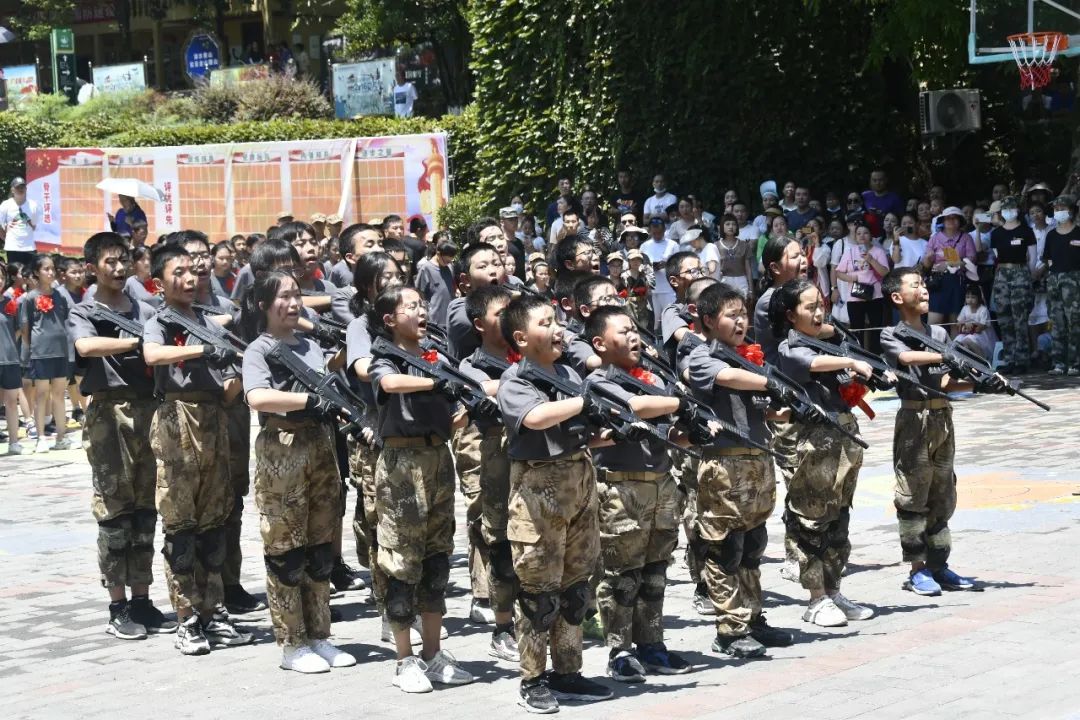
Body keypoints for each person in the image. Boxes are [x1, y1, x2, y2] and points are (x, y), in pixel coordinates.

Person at [496, 294, 613, 713]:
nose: (558, 328)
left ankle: (569, 672)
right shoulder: (516, 381)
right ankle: (532, 677)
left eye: (557, 319)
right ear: (522, 338)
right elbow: (535, 418)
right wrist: (588, 401)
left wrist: (618, 428)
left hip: (579, 481)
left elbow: (582, 430)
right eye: (547, 322)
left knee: (575, 587)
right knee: (538, 593)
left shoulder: (568, 373)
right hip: (538, 491)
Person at [240, 269, 356, 673]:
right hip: (283, 449)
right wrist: (305, 400)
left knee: (320, 548)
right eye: (283, 297)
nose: (292, 304)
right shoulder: (258, 349)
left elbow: (333, 379)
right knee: (286, 551)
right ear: (262, 305)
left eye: (296, 295)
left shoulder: (308, 344)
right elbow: (256, 396)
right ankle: (292, 643)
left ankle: (320, 635)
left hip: (321, 447)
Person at [141, 244, 252, 655]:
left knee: (213, 522)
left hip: (213, 420)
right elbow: (152, 355)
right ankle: (186, 618)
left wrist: (243, 366)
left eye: (193, 272)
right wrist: (202, 349)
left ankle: (213, 610)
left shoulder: (209, 320)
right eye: (179, 272)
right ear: (159, 282)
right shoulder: (161, 321)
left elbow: (225, 393)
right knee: (181, 525)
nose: (190, 279)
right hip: (176, 419)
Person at [368, 285, 476, 693]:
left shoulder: (437, 355)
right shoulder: (385, 356)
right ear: (391, 319)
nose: (421, 311)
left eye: (422, 304)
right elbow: (390, 384)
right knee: (400, 562)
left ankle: (432, 654)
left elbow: (452, 416)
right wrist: (435, 383)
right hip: (401, 465)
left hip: (437, 459)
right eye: (410, 306)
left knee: (435, 558)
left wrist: (464, 405)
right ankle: (403, 658)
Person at [68, 232, 176, 639]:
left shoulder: (146, 307)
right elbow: (85, 344)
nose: (119, 268)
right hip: (108, 412)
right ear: (93, 266)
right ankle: (117, 606)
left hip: (148, 408)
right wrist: (139, 341)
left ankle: (143, 601)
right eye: (110, 262)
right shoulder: (85, 309)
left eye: (124, 261)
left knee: (147, 507)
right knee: (115, 511)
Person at [685, 282, 795, 657]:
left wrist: (779, 405)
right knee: (724, 549)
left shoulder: (749, 358)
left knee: (752, 546)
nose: (741, 322)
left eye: (743, 314)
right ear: (708, 321)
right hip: (724, 465)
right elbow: (726, 378)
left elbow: (761, 402)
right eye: (731, 315)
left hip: (757, 460)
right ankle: (729, 630)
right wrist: (771, 381)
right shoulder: (701, 356)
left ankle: (753, 617)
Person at [583, 306, 692, 681]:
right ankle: (619, 649)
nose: (634, 337)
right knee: (621, 575)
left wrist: (691, 430)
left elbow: (666, 429)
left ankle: (651, 643)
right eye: (623, 331)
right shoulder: (600, 381)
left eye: (634, 329)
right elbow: (633, 407)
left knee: (655, 571)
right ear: (599, 344)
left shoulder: (651, 377)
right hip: (621, 487)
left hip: (661, 483)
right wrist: (681, 401)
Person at [769, 278, 876, 627]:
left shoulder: (829, 342)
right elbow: (811, 364)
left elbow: (846, 351)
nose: (818, 313)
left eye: (821, 305)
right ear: (789, 314)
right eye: (809, 307)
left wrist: (840, 342)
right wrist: (849, 361)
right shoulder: (790, 348)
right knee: (812, 519)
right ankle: (816, 598)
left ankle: (834, 589)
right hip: (816, 439)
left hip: (845, 435)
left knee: (839, 518)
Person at [880, 267, 983, 596]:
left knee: (942, 494)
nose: (924, 289)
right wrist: (947, 356)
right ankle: (916, 569)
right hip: (914, 421)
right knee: (913, 496)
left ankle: (940, 564)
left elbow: (944, 381)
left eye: (924, 284)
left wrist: (980, 383)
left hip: (942, 419)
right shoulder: (891, 333)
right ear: (897, 297)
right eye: (915, 285)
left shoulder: (939, 334)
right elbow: (908, 357)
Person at [456, 284, 521, 662]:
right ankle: (502, 625)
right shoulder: (470, 364)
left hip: (534, 453)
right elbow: (478, 393)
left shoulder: (527, 355)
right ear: (480, 324)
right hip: (495, 450)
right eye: (501, 313)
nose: (510, 317)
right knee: (497, 536)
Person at [17, 254, 74, 453]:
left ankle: (61, 436)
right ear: (36, 273)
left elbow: (66, 320)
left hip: (61, 351)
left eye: (52, 268)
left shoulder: (60, 295)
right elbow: (25, 328)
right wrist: (34, 348)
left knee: (59, 394)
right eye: (46, 269)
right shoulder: (30, 298)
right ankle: (41, 437)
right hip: (40, 353)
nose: (51, 272)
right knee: (42, 395)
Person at [989, 197, 1036, 373]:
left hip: (1021, 272)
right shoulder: (996, 233)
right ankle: (1009, 359)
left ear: (1017, 210)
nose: (1009, 211)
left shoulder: (1026, 231)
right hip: (1002, 274)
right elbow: (997, 255)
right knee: (1004, 318)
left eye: (1012, 208)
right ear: (1001, 212)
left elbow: (1032, 258)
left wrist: (1026, 275)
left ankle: (1022, 359)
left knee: (1020, 317)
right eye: (1005, 209)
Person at [1036, 195, 1080, 375]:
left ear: (1071, 210)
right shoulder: (1052, 234)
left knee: (1075, 322)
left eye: (1063, 208)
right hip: (1055, 281)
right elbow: (1046, 259)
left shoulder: (1078, 232)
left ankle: (1075, 363)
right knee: (1057, 322)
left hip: (1075, 282)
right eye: (1056, 209)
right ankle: (1058, 363)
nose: (1059, 211)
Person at [833, 221, 889, 353]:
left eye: (865, 233)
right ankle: (858, 356)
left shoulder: (878, 252)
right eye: (858, 233)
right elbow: (839, 272)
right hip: (855, 296)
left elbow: (885, 272)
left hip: (875, 295)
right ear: (855, 236)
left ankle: (877, 358)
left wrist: (871, 260)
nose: (862, 236)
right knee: (856, 330)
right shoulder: (849, 252)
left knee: (875, 329)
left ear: (871, 236)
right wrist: (852, 278)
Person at [922, 206, 976, 330]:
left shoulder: (966, 237)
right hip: (938, 282)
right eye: (948, 218)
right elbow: (926, 265)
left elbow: (972, 261)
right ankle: (932, 349)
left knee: (955, 323)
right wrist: (928, 259)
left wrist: (949, 264)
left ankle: (953, 349)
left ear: (960, 221)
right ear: (943, 221)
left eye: (955, 218)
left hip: (957, 282)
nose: (951, 220)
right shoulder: (935, 238)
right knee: (934, 323)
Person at [0, 263, 24, 455]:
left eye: (1, 276)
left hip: (10, 359)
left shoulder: (10, 302)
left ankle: (14, 441)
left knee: (11, 402)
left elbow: (18, 329)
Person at [640, 218, 679, 329]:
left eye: (659, 232)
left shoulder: (673, 245)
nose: (657, 235)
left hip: (669, 288)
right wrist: (651, 267)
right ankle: (658, 343)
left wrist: (666, 265)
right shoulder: (645, 246)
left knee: (671, 318)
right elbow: (640, 265)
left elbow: (679, 264)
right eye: (654, 233)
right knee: (656, 321)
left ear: (664, 230)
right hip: (652, 289)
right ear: (650, 231)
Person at [416, 236, 457, 328]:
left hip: (450, 316)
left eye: (451, 261)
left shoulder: (449, 267)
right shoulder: (426, 269)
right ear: (438, 254)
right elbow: (419, 293)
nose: (448, 263)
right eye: (446, 261)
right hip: (435, 318)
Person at [0, 177, 41, 266]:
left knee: (31, 275)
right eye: (17, 187)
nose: (20, 189)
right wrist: (6, 239)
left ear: (26, 189)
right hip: (12, 247)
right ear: (12, 190)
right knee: (14, 276)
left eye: (22, 187)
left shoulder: (33, 205)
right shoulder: (5, 205)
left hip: (29, 246)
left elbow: (34, 226)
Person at [715, 214, 754, 296]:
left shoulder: (744, 245)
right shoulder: (715, 246)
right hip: (723, 281)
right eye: (727, 224)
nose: (731, 227)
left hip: (741, 281)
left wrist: (751, 290)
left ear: (737, 227)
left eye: (733, 224)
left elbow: (748, 269)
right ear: (722, 227)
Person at [954, 286, 996, 360]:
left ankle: (982, 360)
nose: (970, 300)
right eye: (968, 297)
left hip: (982, 335)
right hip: (967, 333)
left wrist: (972, 324)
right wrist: (963, 324)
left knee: (968, 340)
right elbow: (958, 323)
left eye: (973, 297)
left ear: (979, 298)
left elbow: (981, 327)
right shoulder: (965, 308)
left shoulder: (983, 310)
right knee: (958, 340)